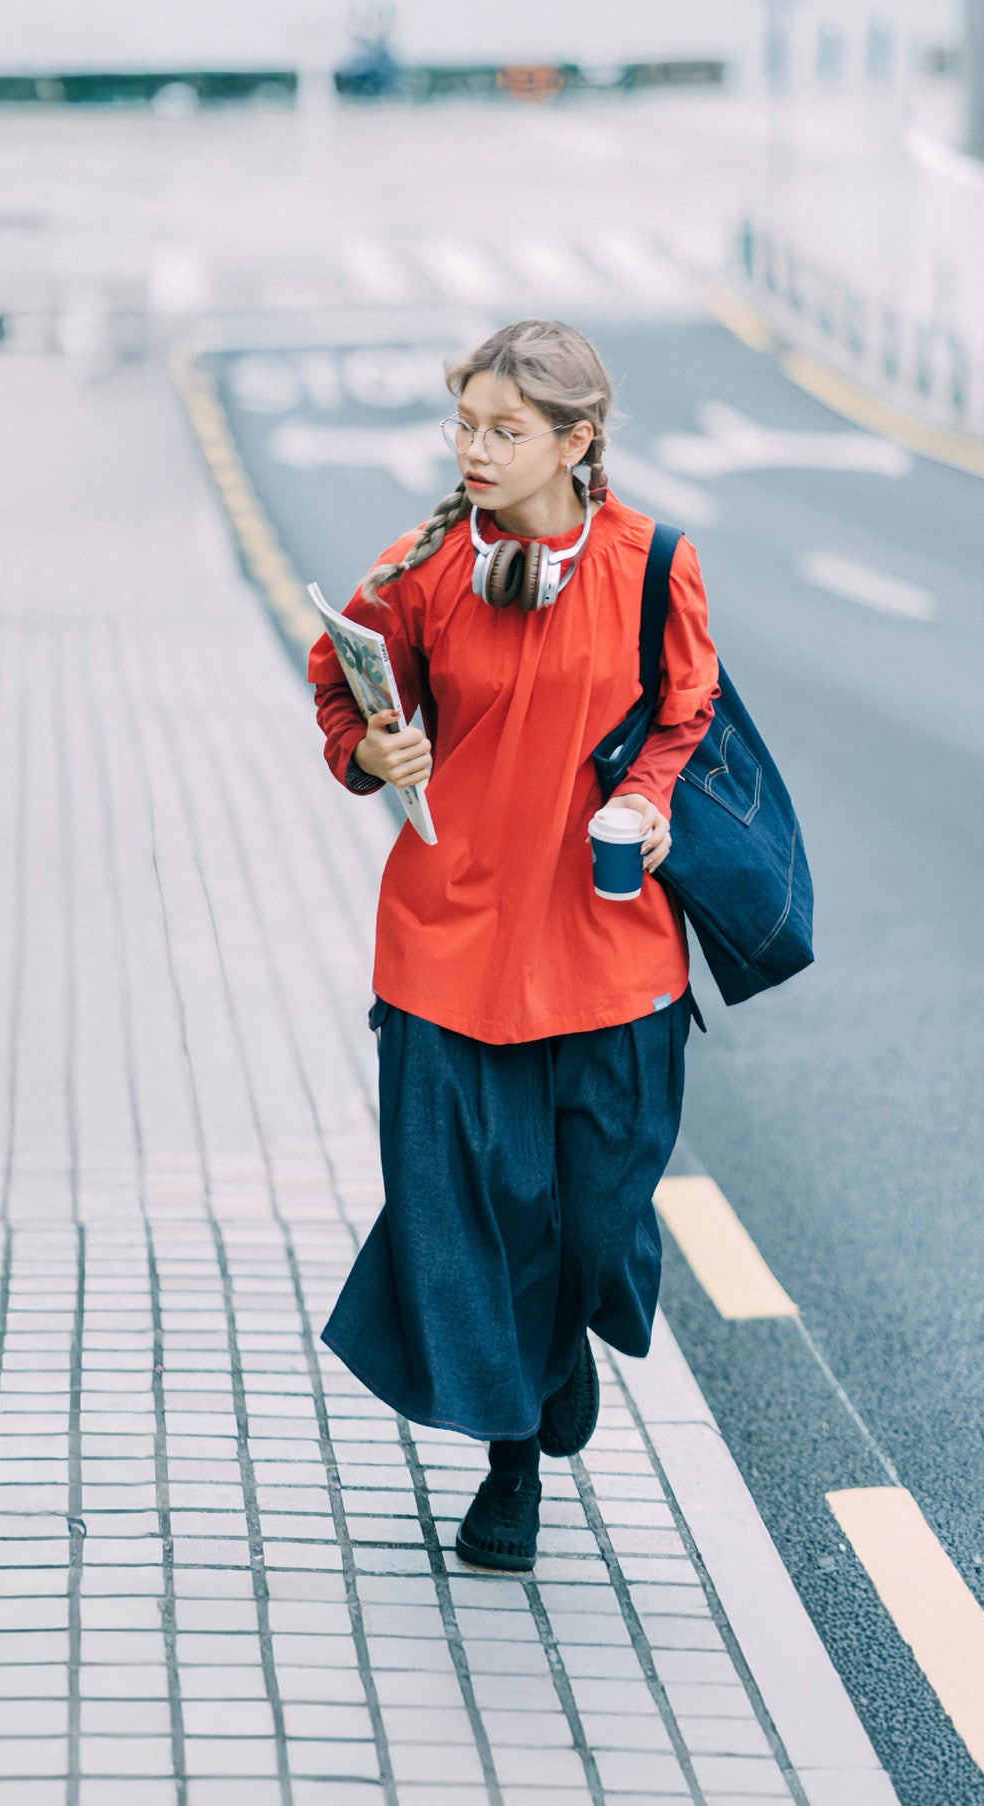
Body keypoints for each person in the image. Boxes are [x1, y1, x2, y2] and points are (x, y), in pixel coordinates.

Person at [307, 318, 718, 1572]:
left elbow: (686, 708)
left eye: (504, 430)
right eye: (465, 425)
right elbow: (340, 680)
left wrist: (646, 799)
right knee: (484, 1220)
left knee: (592, 1224)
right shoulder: (421, 568)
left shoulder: (653, 566)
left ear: (575, 442)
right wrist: (371, 749)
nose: (474, 450)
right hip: (451, 952)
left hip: (609, 954)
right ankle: (513, 1465)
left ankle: (554, 1357)